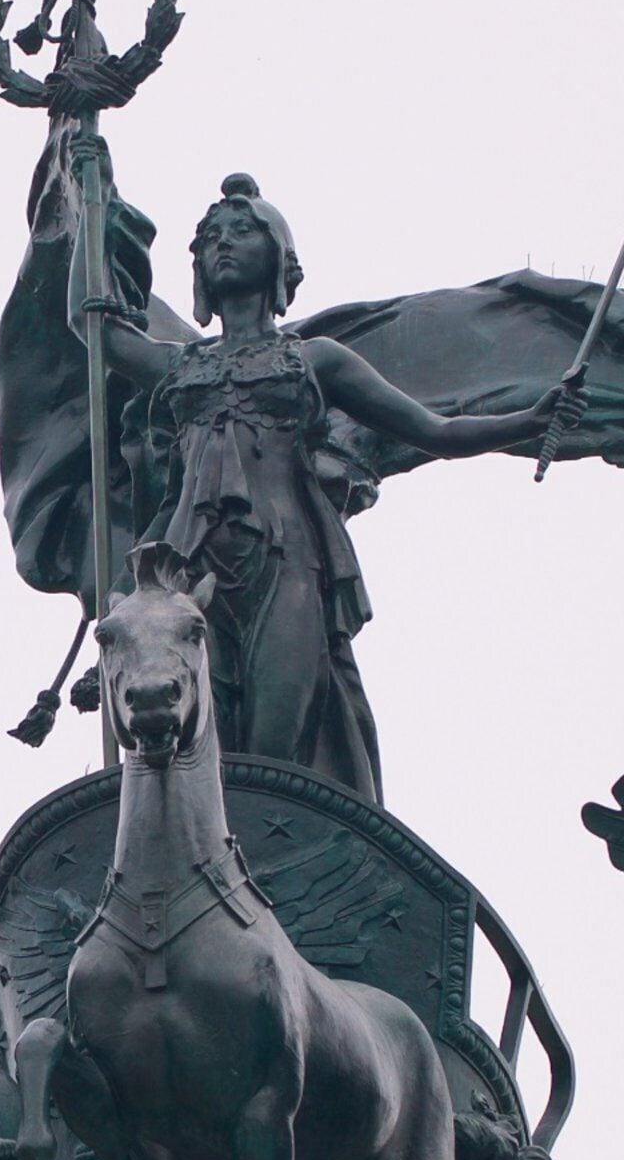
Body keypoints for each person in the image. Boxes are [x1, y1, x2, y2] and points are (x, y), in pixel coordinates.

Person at [69, 158, 583, 804]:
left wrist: (532, 419)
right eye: (209, 236)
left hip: (288, 563)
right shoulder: (179, 365)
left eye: (241, 230)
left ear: (278, 256)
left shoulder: (315, 359)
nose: (222, 242)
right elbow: (89, 327)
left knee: (274, 748)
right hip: (186, 569)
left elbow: (436, 432)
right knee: (190, 746)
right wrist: (86, 199)